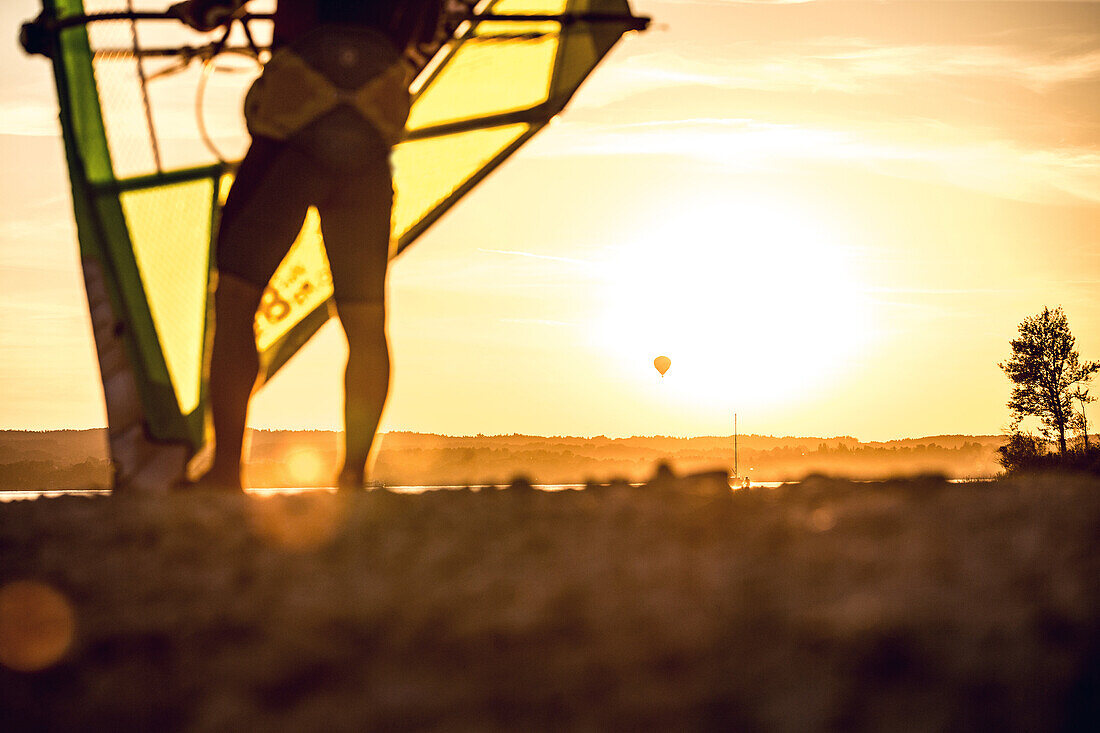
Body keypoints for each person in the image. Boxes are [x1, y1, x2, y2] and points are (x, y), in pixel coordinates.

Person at [171, 0, 442, 491]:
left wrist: (204, 11)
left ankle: (227, 470)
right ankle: (354, 476)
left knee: (235, 300)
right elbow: (428, 25)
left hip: (293, 139)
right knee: (365, 322)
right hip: (367, 143)